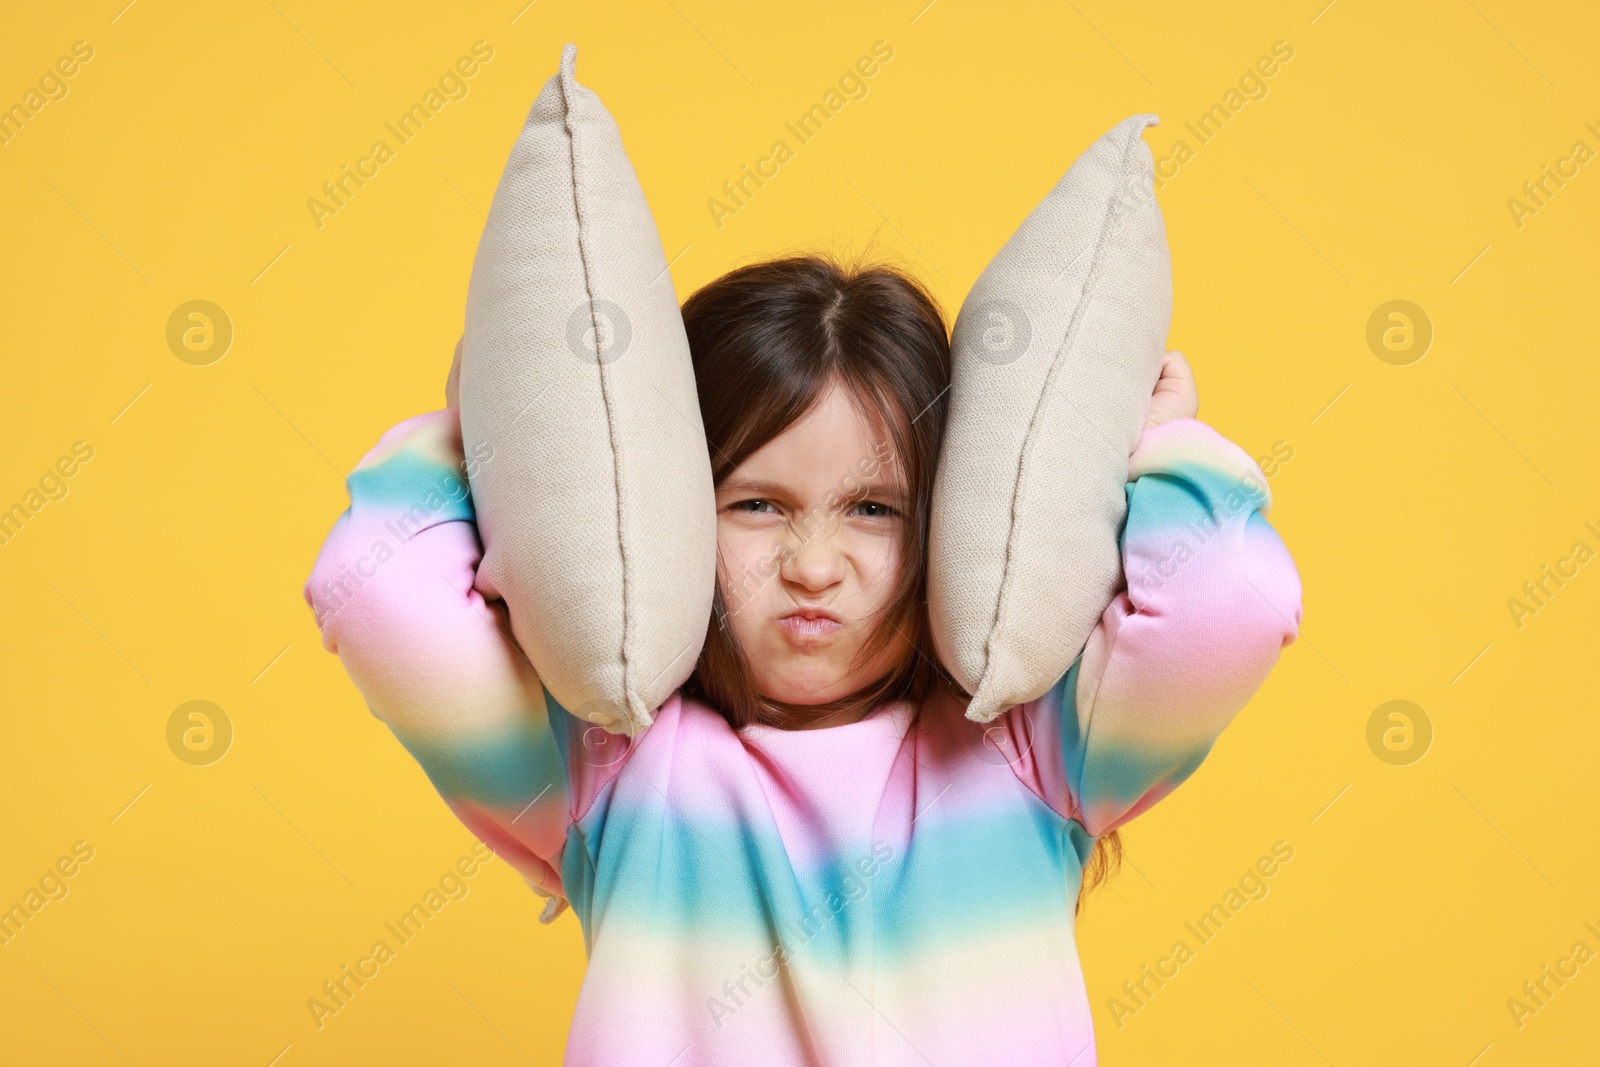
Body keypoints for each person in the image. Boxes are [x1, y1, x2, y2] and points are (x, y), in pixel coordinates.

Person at [304, 253, 1302, 1065]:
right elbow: (377, 590)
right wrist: (485, 437)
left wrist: (1162, 446)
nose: (813, 565)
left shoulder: (1032, 751)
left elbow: (1231, 603)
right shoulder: (610, 766)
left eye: (874, 509)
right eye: (755, 503)